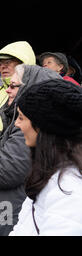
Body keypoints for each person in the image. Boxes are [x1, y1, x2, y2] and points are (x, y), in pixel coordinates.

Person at [0, 65, 62, 236]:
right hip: (3, 207)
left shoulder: (26, 127)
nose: (7, 90)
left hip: (7, 210)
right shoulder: (16, 120)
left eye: (13, 85)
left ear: (30, 88)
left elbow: (8, 171)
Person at [10, 79, 82, 236]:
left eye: (21, 117)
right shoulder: (50, 172)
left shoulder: (69, 192)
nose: (16, 124)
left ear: (44, 127)